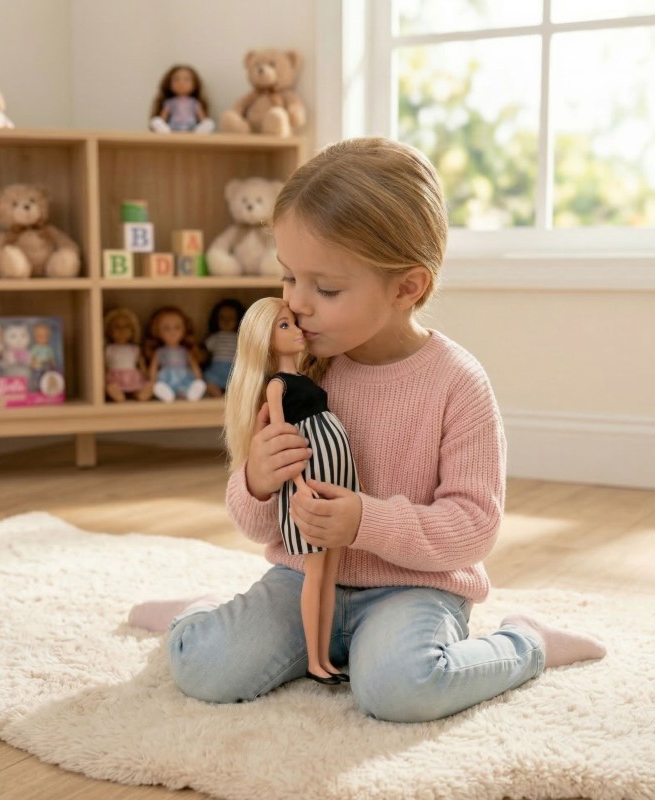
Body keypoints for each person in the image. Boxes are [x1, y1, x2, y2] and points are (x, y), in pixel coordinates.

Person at [129, 137, 606, 723]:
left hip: (412, 590)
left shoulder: (457, 383)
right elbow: (258, 523)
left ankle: (527, 642)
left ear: (409, 287)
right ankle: (203, 612)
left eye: (325, 289)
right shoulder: (298, 368)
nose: (297, 304)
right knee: (203, 665)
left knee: (401, 690)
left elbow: (474, 528)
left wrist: (365, 521)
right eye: (288, 278)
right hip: (301, 580)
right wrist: (255, 478)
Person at [223, 296, 358, 683]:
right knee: (315, 575)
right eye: (284, 325)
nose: (296, 329)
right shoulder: (278, 387)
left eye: (292, 323)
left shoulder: (306, 378)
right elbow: (283, 439)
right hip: (310, 487)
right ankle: (316, 661)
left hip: (334, 479)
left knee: (328, 574)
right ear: (266, 340)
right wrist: (298, 487)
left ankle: (324, 661)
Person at [148, 65, 215, 134]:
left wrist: (204, 124)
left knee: (209, 123)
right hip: (173, 127)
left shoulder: (194, 102)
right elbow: (162, 119)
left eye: (186, 79)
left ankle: (199, 133)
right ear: (169, 84)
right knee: (156, 121)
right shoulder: (170, 102)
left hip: (191, 127)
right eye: (176, 79)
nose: (181, 83)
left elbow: (202, 119)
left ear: (195, 84)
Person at [201, 298, 244, 397]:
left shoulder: (240, 338)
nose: (226, 321)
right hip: (216, 368)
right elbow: (204, 352)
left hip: (235, 369)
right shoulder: (215, 337)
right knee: (208, 380)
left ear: (239, 319)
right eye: (222, 318)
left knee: (242, 383)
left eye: (231, 318)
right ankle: (218, 396)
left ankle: (232, 398)